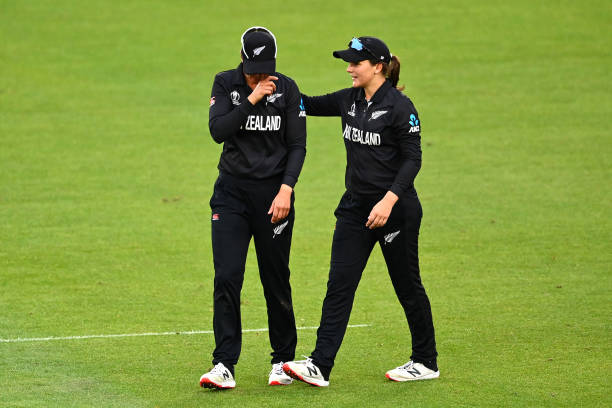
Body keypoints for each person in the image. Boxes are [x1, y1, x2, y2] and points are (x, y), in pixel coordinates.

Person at [282, 36, 439, 387]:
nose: (349, 68)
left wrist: (388, 200)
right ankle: (320, 365)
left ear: (378, 67)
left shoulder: (401, 107)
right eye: (348, 62)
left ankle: (426, 361)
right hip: (355, 209)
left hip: (395, 211)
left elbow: (413, 158)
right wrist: (278, 89)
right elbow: (305, 104)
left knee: (407, 286)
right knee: (339, 283)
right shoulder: (349, 99)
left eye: (356, 63)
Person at [199, 26, 307, 390]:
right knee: (227, 276)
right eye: (254, 67)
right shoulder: (224, 83)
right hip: (230, 196)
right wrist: (252, 99)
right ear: (242, 58)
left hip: (274, 198)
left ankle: (283, 360)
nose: (262, 74)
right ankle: (224, 364)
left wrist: (286, 190)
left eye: (267, 67)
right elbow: (218, 130)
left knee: (275, 278)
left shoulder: (288, 89)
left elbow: (297, 145)